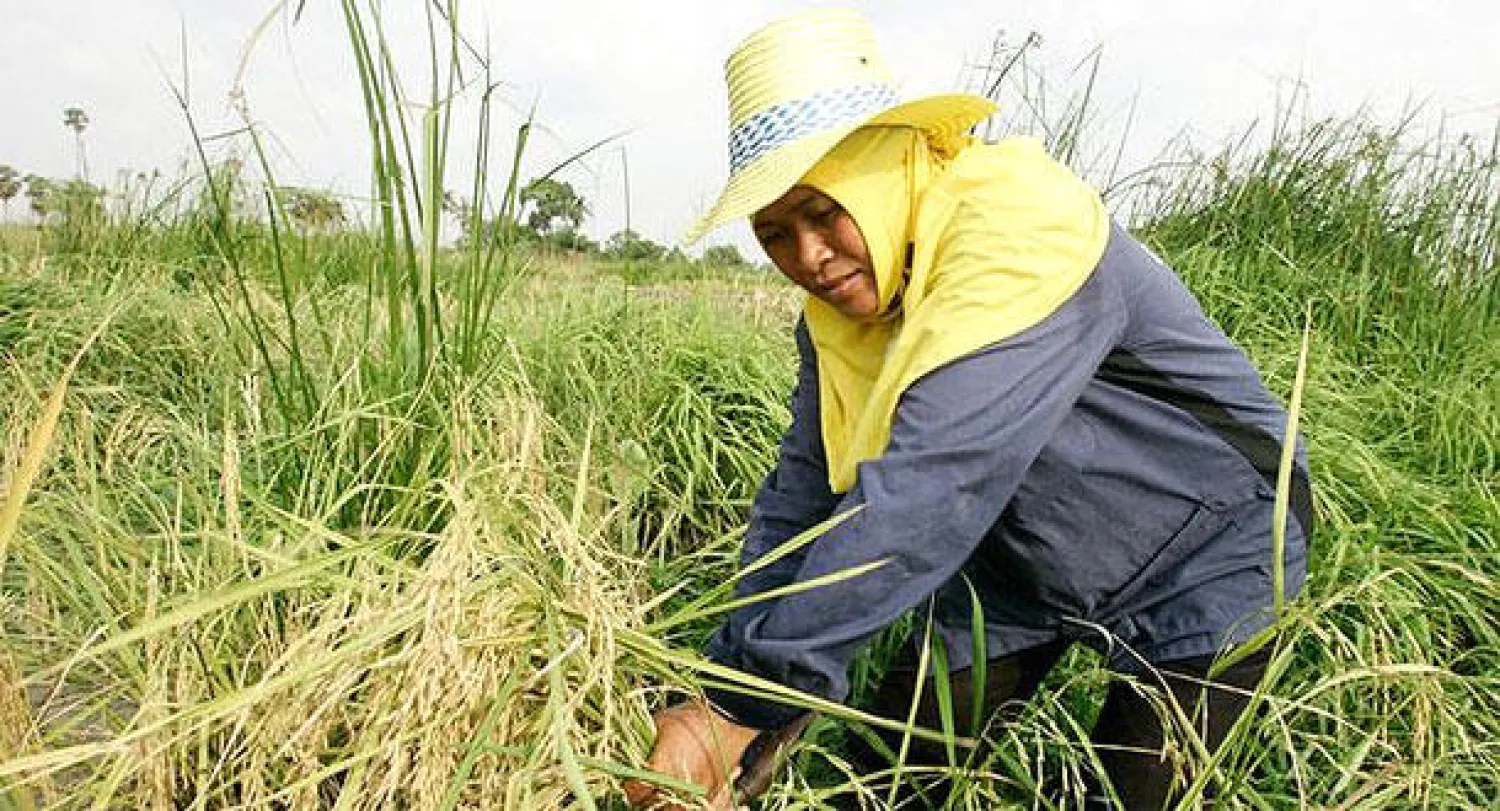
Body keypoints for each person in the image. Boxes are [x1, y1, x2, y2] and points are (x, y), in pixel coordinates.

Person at [624, 8, 1310, 810]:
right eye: (774, 232)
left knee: (1127, 793)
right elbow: (802, 498)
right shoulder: (846, 310)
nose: (807, 257)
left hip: (1213, 542)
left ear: (886, 169)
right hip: (1022, 557)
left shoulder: (1019, 227)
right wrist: (732, 690)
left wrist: (752, 700)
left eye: (823, 211)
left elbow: (932, 487)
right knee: (888, 780)